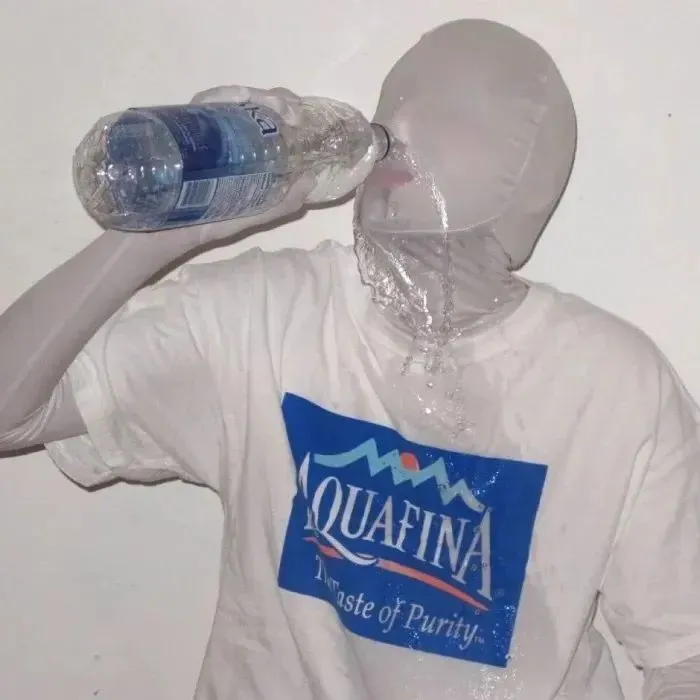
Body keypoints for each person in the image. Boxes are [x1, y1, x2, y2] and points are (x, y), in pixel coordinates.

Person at [0, 17, 698, 700]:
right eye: (397, 102)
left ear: (525, 169)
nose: (403, 125)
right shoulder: (265, 316)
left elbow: (685, 652)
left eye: (451, 113)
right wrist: (167, 230)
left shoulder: (612, 384)